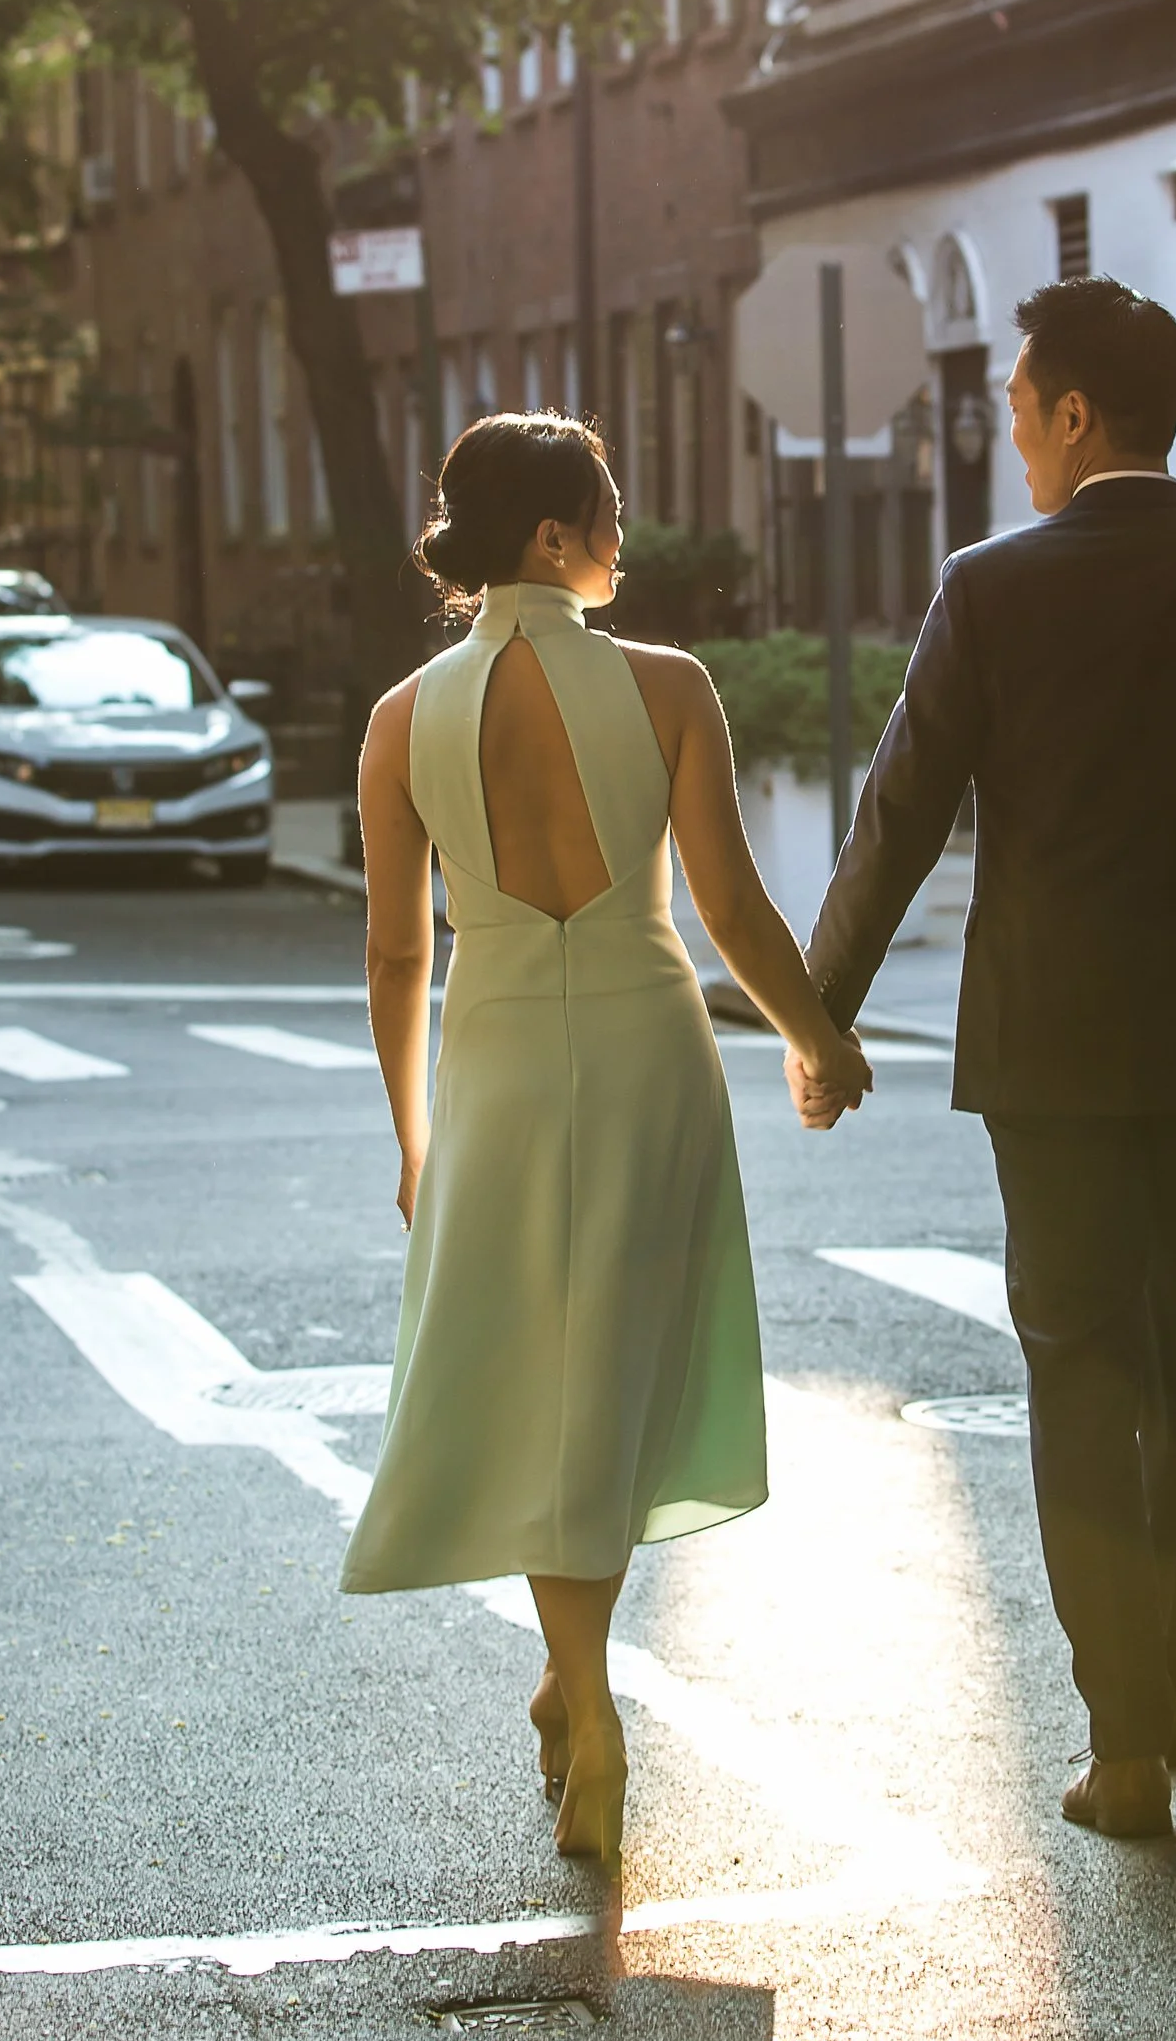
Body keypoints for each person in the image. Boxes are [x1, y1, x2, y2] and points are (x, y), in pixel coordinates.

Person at [797, 277, 1176, 1841]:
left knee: (1078, 1365)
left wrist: (823, 1010)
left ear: (1077, 413)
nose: (1010, 433)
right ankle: (1172, 1661)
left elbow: (898, 814)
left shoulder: (988, 591)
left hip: (1050, 1053)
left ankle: (1123, 1734)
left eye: (1019, 407)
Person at [344, 412, 873, 1874]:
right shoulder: (670, 686)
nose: (625, 540)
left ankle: (579, 1696)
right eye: (609, 514)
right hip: (648, 1046)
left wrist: (413, 1136)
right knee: (619, 1368)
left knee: (537, 1378)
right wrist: (817, 1037)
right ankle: (581, 1690)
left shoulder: (400, 719)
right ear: (551, 536)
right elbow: (730, 906)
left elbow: (395, 953)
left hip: (500, 1059)